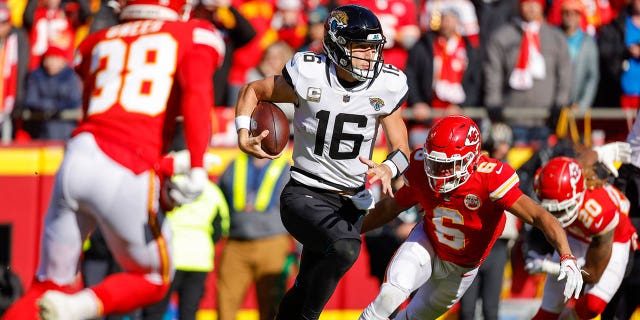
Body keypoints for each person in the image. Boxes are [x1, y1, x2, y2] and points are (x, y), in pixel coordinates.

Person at [3, 0, 224, 319]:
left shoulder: (96, 41)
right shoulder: (192, 33)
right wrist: (198, 165)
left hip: (78, 155)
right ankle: (77, 309)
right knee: (154, 278)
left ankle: (64, 306)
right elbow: (197, 93)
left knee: (46, 287)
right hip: (127, 162)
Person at [235, 5, 411, 319]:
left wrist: (389, 167)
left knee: (305, 287)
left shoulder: (386, 85)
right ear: (337, 45)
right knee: (346, 249)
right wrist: (242, 131)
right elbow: (253, 90)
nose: (371, 57)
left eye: (374, 48)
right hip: (305, 192)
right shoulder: (310, 72)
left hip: (348, 203)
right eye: (362, 48)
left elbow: (402, 148)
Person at [358, 115, 583, 320]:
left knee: (412, 318)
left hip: (461, 269)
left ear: (470, 160)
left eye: (447, 166)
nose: (437, 172)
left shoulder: (490, 179)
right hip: (427, 242)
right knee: (390, 295)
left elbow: (537, 215)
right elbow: (390, 209)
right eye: (434, 163)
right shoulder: (422, 168)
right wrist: (351, 230)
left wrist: (566, 255)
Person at [527, 155, 637, 319]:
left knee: (592, 305)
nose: (556, 216)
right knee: (547, 312)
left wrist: (551, 267)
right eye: (552, 210)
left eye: (561, 209)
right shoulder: (545, 180)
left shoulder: (600, 211)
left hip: (613, 239)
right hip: (575, 234)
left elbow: (592, 274)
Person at [216, 153, 293, 320]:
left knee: (272, 306)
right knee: (225, 304)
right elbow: (216, 199)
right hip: (236, 243)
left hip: (273, 243)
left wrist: (302, 249)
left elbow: (297, 211)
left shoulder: (286, 169)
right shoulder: (234, 165)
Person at [143, 173, 230, 320]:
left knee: (155, 311)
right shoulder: (211, 190)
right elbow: (221, 227)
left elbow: (151, 217)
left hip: (169, 257)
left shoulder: (168, 184)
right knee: (189, 312)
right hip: (199, 259)